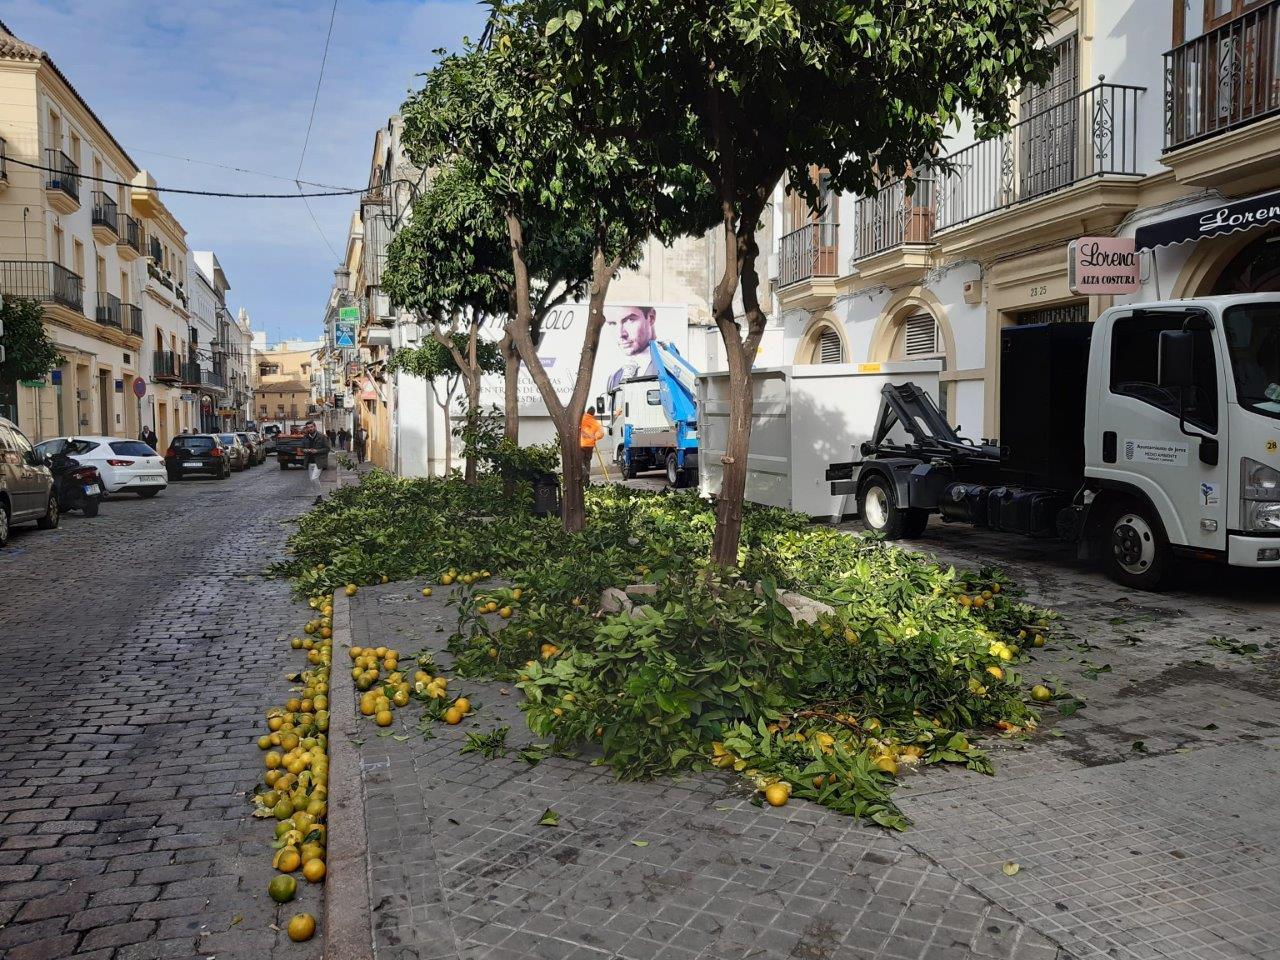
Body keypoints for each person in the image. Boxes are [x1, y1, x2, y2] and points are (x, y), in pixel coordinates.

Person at [607, 306, 658, 390]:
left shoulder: (667, 369)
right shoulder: (614, 378)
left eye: (630, 320)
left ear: (651, 318)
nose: (621, 334)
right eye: (612, 323)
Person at [579, 410, 604, 486]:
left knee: (580, 461)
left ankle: (584, 473)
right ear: (593, 413)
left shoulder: (580, 419)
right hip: (590, 446)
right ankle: (586, 481)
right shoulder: (595, 422)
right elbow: (601, 433)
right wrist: (595, 437)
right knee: (587, 461)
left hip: (581, 445)